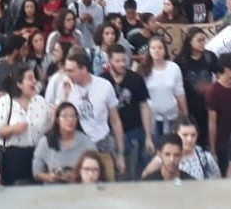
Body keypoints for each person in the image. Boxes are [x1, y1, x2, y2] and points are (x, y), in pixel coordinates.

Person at [62, 47, 126, 177]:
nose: (67, 74)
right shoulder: (65, 86)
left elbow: (115, 121)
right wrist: (65, 97)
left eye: (71, 71)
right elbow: (59, 120)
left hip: (102, 143)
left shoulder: (104, 86)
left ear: (84, 69)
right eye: (66, 70)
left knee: (106, 184)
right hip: (76, 145)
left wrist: (120, 154)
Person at [0, 63, 51, 185]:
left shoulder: (41, 101)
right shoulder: (5, 102)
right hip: (13, 156)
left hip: (37, 154)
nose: (34, 82)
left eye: (35, 79)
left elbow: (47, 128)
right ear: (19, 84)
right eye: (30, 78)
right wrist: (12, 129)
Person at [101, 44, 153, 179]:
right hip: (110, 134)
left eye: (124, 60)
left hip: (134, 131)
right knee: (111, 173)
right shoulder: (102, 80)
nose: (122, 64)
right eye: (117, 61)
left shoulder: (136, 79)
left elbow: (144, 107)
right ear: (110, 61)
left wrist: (148, 135)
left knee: (132, 172)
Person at [174, 28, 217, 148]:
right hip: (190, 106)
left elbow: (220, 77)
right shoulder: (180, 61)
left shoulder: (210, 57)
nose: (203, 43)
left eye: (204, 40)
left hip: (208, 106)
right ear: (190, 42)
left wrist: (210, 87)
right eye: (199, 40)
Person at [138, 36, 187, 139]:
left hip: (173, 115)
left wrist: (185, 115)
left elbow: (180, 92)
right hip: (153, 118)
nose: (157, 51)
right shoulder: (143, 69)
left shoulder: (174, 68)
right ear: (149, 51)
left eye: (160, 48)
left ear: (165, 50)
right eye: (153, 48)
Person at [32, 102, 94, 183]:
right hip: (53, 189)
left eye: (73, 116)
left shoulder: (86, 141)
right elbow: (36, 173)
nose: (70, 120)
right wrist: (51, 177)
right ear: (57, 120)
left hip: (79, 187)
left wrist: (77, 176)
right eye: (65, 116)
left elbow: (95, 167)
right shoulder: (45, 142)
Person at [142, 117, 220, 180]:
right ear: (175, 133)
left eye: (193, 135)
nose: (189, 140)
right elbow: (146, 179)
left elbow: (216, 179)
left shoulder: (205, 157)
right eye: (185, 135)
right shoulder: (161, 158)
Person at [206, 53, 231, 175]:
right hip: (222, 143)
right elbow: (212, 121)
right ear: (227, 70)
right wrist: (213, 150)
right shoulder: (213, 91)